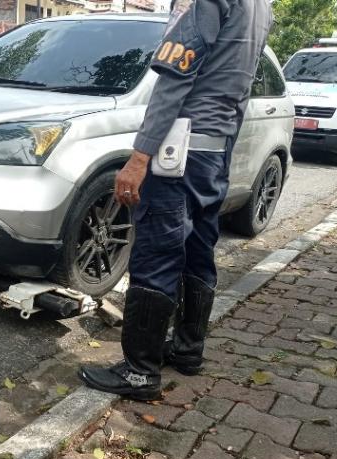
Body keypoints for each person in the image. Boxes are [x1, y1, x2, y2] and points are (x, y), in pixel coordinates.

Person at [79, 0, 272, 400]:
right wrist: (222, 153)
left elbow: (175, 79)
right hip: (212, 152)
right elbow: (241, 88)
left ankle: (139, 372)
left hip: (177, 156)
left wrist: (139, 156)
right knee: (199, 251)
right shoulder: (262, 7)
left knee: (155, 257)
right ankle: (187, 351)